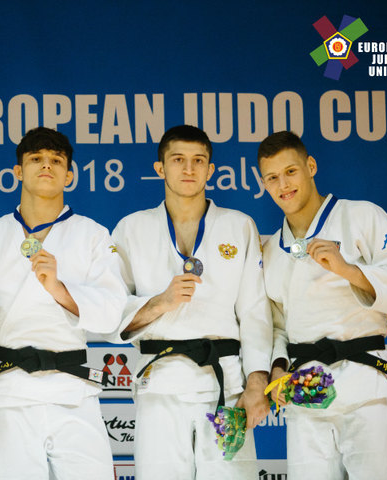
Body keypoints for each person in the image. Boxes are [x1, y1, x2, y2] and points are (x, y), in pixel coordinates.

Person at [258, 131, 387, 480]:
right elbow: (276, 325)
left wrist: (349, 270)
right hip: (305, 390)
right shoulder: (272, 250)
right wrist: (277, 367)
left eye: (290, 171)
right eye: (272, 178)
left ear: (311, 166)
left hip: (364, 382)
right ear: (264, 184)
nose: (283, 184)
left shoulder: (361, 217)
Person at [111, 125, 272, 479]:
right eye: (178, 160)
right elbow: (111, 309)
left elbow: (255, 313)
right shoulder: (131, 228)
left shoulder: (239, 226)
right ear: (160, 168)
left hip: (226, 386)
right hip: (161, 385)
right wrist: (159, 303)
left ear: (211, 170)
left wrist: (257, 382)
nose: (189, 169)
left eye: (199, 161)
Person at [0, 127, 126, 480]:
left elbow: (111, 313)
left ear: (69, 174)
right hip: (10, 389)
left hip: (73, 390)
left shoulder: (93, 234)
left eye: (56, 160)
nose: (47, 166)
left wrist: (59, 289)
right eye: (36, 159)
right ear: (18, 171)